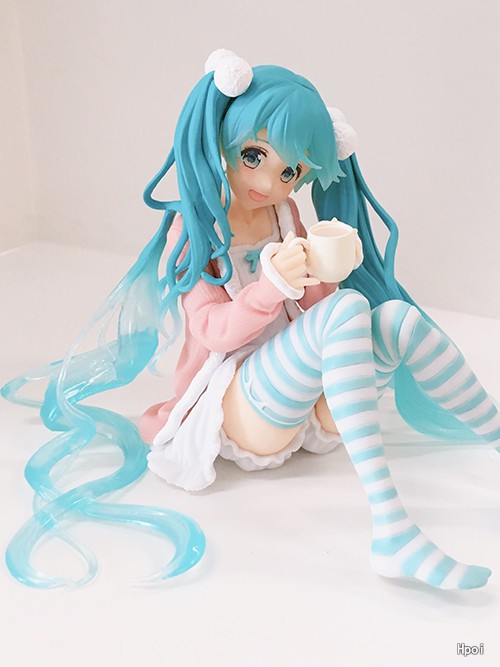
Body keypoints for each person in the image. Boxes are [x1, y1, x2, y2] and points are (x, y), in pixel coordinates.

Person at [3, 49, 499, 590]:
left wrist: (325, 274)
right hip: (237, 401)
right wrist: (270, 288)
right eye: (254, 154)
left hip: (303, 398)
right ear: (225, 138)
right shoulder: (196, 227)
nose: (269, 180)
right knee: (350, 309)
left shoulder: (285, 214)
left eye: (290, 171)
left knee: (395, 317)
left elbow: (315, 315)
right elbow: (211, 331)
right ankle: (393, 530)